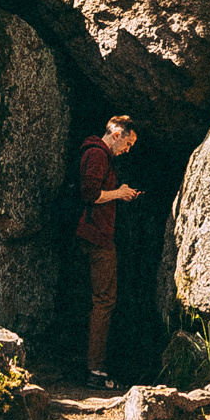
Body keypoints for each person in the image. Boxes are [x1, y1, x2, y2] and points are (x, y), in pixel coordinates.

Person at [76, 115, 140, 388]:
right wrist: (119, 192)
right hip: (97, 237)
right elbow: (90, 193)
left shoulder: (97, 153)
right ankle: (96, 372)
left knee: (99, 300)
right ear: (116, 134)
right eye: (128, 143)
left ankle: (93, 366)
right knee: (104, 301)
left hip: (95, 234)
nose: (127, 149)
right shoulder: (98, 154)